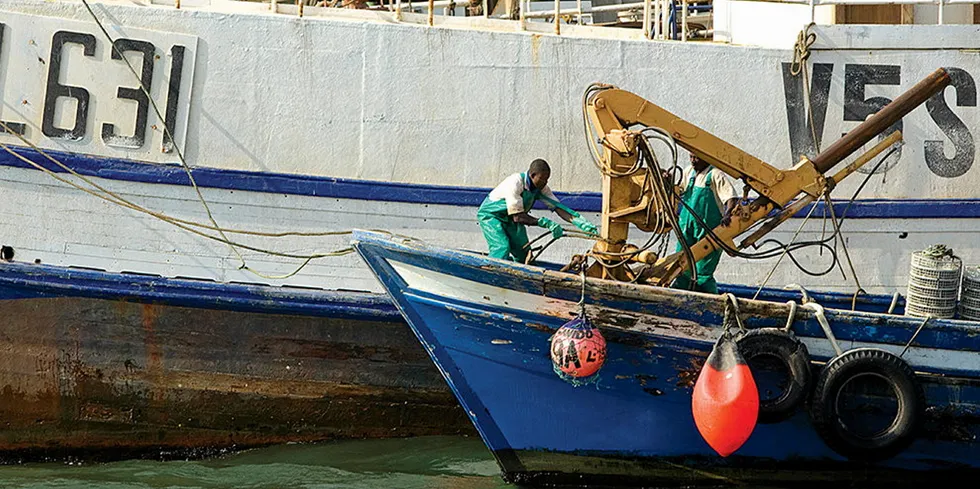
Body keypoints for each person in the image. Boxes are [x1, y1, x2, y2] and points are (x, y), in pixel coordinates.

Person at [478, 159, 598, 263]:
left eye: (547, 179)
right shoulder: (515, 183)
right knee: (502, 247)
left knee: (524, 253)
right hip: (492, 216)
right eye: (542, 179)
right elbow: (518, 217)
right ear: (532, 175)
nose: (545, 183)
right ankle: (493, 275)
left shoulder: (541, 188)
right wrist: (544, 223)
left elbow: (558, 207)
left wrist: (581, 223)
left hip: (510, 218)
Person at [672, 154, 739, 294]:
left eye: (696, 158)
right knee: (681, 264)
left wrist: (727, 214)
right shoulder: (688, 172)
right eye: (690, 157)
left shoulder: (715, 174)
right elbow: (678, 189)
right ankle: (677, 295)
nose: (692, 161)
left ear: (705, 157)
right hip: (686, 228)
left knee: (703, 271)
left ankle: (710, 300)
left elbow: (731, 198)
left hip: (708, 231)